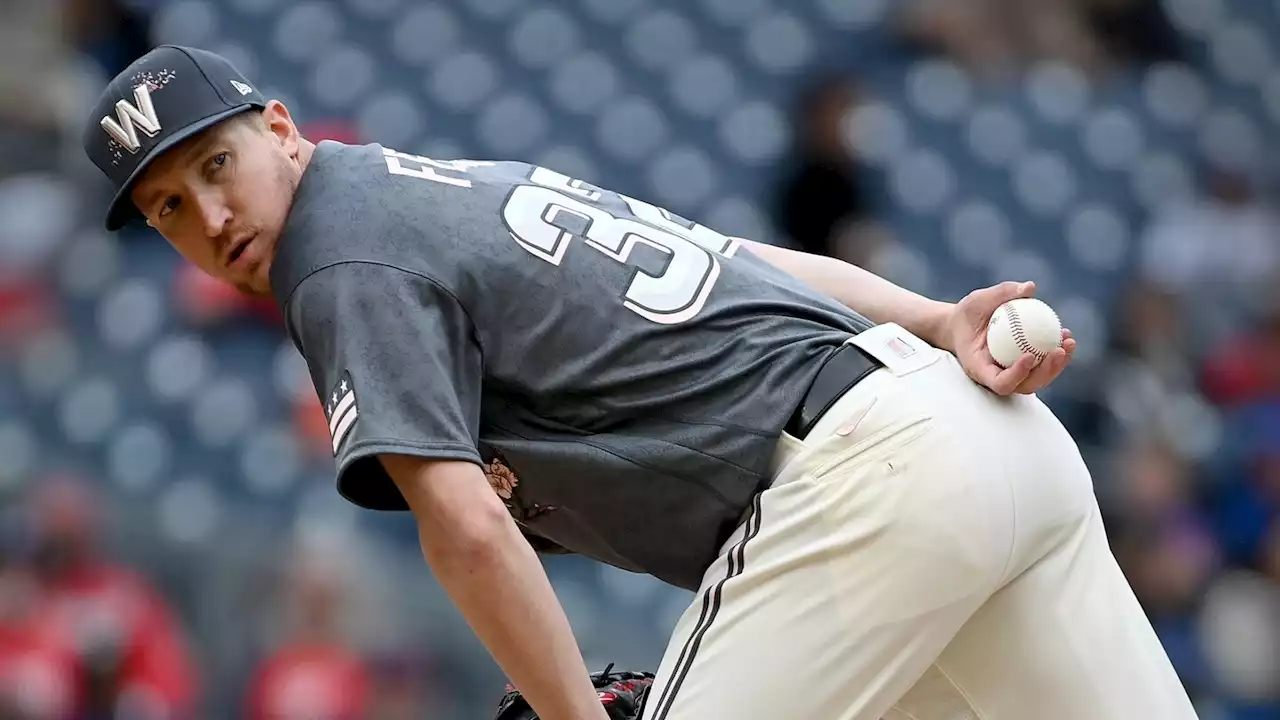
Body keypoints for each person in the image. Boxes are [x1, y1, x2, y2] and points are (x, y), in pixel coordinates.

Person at [84, 45, 1198, 720]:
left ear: (281, 130)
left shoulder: (337, 255)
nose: (210, 216)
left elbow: (466, 528)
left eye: (215, 165)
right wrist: (931, 316)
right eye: (169, 208)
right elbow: (742, 263)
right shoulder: (444, 186)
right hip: (975, 436)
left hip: (862, 493)